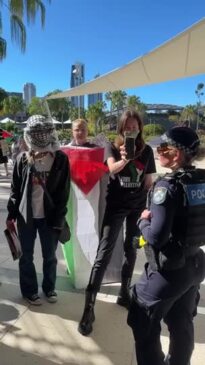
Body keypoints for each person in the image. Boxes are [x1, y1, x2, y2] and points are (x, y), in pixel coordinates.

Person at [127, 126, 205, 365]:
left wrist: (142, 220)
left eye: (163, 148)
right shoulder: (200, 181)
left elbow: (157, 236)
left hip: (168, 271)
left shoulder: (167, 187)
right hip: (194, 265)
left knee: (142, 320)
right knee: (181, 322)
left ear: (177, 154)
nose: (158, 151)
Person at [78, 108, 156, 336]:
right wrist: (125, 159)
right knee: (104, 251)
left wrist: (149, 207)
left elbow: (149, 181)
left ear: (140, 127)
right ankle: (89, 307)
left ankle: (124, 294)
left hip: (137, 207)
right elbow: (111, 169)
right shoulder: (112, 147)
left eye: (134, 126)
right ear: (121, 128)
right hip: (116, 206)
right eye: (127, 127)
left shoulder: (148, 151)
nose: (131, 130)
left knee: (131, 250)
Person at [6, 115, 70, 305]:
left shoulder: (60, 159)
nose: (40, 137)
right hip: (26, 216)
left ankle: (49, 288)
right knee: (26, 256)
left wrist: (59, 218)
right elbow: (15, 189)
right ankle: (29, 291)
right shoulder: (22, 160)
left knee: (50, 256)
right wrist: (11, 214)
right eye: (36, 133)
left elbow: (63, 191)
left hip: (50, 217)